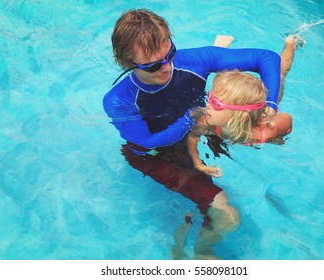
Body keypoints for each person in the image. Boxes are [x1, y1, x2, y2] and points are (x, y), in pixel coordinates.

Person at [103, 9, 282, 259]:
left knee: (272, 133)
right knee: (227, 216)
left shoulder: (194, 60)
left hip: (199, 129)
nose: (166, 68)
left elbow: (267, 57)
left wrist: (270, 105)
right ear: (126, 62)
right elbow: (144, 142)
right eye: (154, 65)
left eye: (169, 55)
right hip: (153, 154)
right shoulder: (119, 100)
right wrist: (190, 117)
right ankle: (201, 251)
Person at [187, 35, 303, 178]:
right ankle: (217, 51)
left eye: (216, 103)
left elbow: (287, 118)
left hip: (267, 108)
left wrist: (278, 135)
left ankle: (290, 44)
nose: (207, 104)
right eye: (210, 97)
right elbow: (193, 138)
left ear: (239, 115)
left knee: (279, 75)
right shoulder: (206, 122)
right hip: (248, 114)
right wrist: (198, 163)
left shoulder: (265, 132)